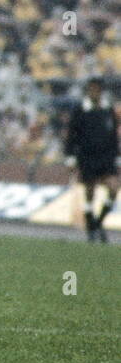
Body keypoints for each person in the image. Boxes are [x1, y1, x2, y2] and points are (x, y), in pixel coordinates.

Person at [64, 77, 118, 243]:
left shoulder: (108, 109)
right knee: (90, 191)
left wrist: (117, 156)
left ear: (101, 91)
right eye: (91, 89)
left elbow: (113, 135)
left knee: (113, 188)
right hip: (87, 156)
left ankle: (98, 222)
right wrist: (70, 157)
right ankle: (91, 226)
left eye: (97, 89)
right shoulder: (81, 109)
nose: (94, 92)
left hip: (106, 157)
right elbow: (71, 135)